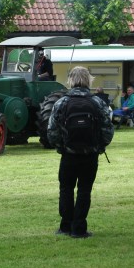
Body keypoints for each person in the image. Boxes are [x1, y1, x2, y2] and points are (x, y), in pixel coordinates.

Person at [47, 66, 114, 238]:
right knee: (84, 190)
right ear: (88, 80)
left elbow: (52, 131)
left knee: (66, 189)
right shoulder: (98, 102)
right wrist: (100, 147)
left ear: (70, 80)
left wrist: (61, 147)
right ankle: (79, 229)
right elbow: (108, 130)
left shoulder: (61, 102)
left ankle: (65, 226)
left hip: (68, 155)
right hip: (90, 155)